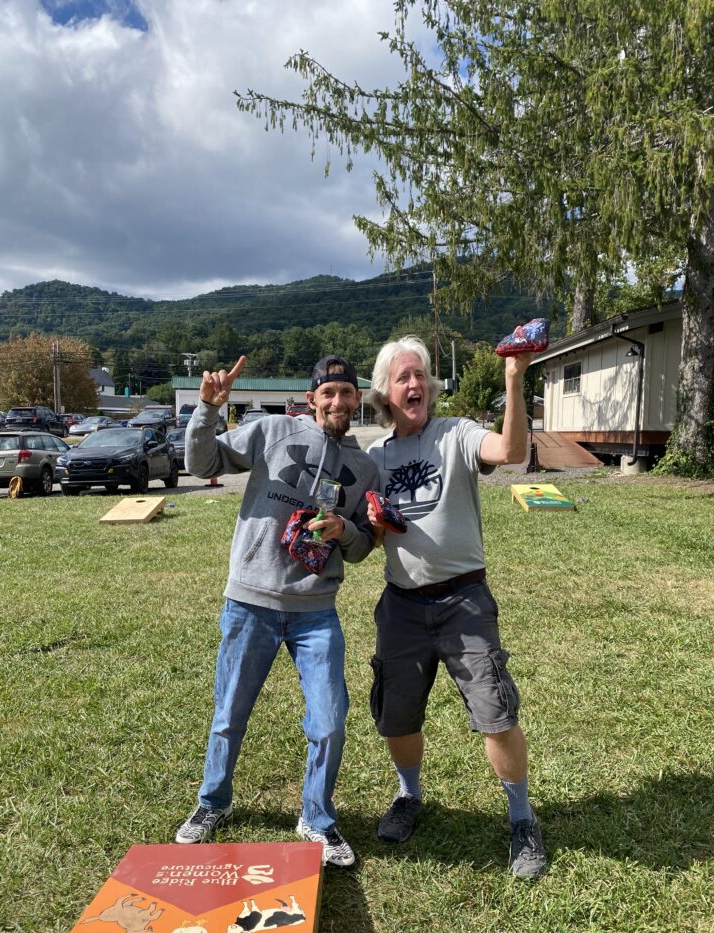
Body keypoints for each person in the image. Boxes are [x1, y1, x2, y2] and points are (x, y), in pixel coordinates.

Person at [174, 354, 379, 867]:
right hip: (251, 603)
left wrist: (345, 531)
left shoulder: (365, 467)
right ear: (311, 399)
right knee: (229, 714)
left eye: (346, 393)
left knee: (330, 719)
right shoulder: (272, 431)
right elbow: (201, 464)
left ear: (357, 400)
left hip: (316, 612)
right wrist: (206, 410)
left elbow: (361, 547)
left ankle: (317, 817)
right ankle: (212, 803)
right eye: (327, 393)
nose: (337, 401)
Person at [365, 335, 547, 879]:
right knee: (396, 715)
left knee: (495, 712)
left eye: (420, 375)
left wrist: (514, 381)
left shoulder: (456, 433)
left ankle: (522, 820)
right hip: (401, 603)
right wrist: (373, 528)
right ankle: (409, 796)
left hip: (464, 599)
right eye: (404, 377)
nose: (415, 384)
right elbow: (369, 540)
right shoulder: (376, 457)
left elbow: (510, 452)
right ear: (385, 392)